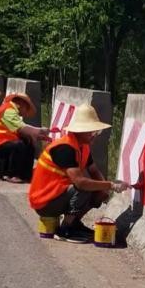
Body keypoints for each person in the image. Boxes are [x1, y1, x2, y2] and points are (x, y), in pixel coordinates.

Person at [27, 103, 128, 243]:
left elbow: (93, 170)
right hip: (44, 201)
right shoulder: (64, 148)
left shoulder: (82, 147)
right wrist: (111, 185)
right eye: (92, 132)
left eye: (97, 132)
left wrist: (104, 189)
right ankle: (65, 230)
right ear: (81, 131)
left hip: (57, 194)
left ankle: (74, 223)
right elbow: (81, 182)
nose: (95, 136)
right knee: (83, 188)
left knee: (96, 189)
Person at [0, 92, 48, 182]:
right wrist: (39, 131)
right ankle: (13, 175)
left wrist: (35, 134)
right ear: (21, 104)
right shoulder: (8, 110)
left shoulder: (9, 110)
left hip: (0, 143)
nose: (24, 113)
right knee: (19, 145)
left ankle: (26, 175)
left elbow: (20, 129)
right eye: (26, 108)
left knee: (27, 142)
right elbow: (21, 127)